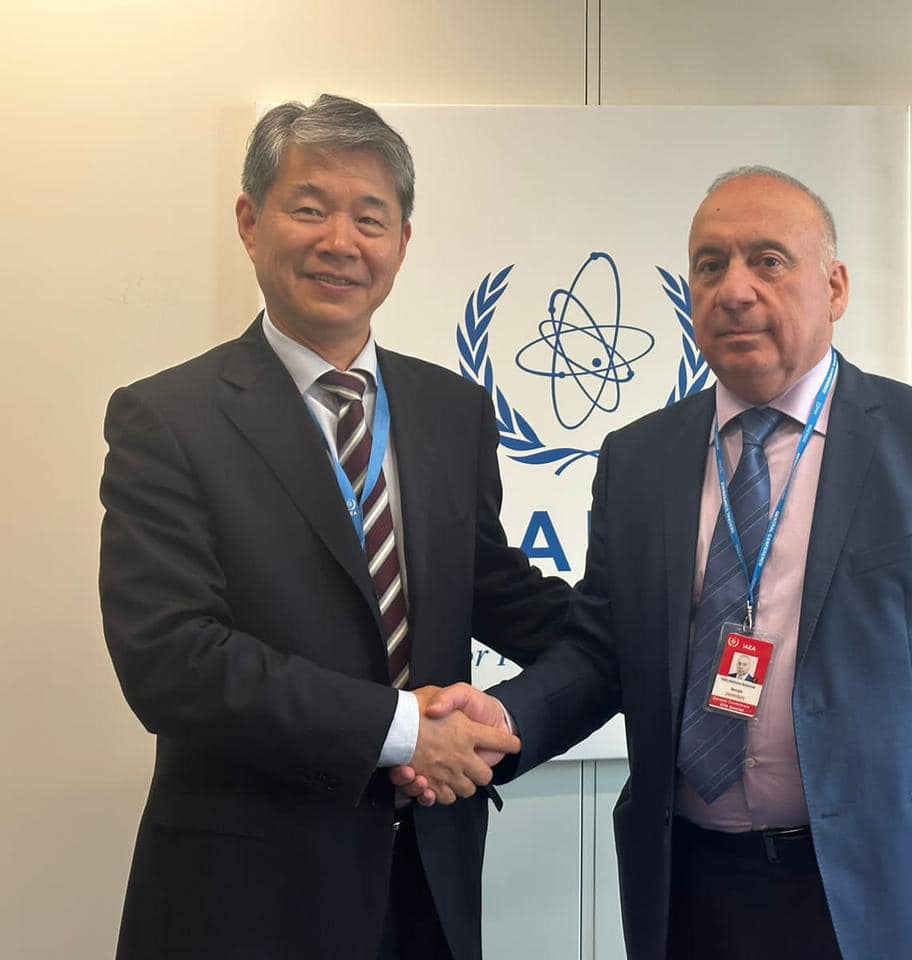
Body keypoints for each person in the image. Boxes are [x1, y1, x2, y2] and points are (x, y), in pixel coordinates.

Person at [402, 167, 912, 959]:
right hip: (690, 890)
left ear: (836, 287)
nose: (735, 290)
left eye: (768, 261)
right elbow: (601, 651)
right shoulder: (638, 458)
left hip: (879, 895)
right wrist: (501, 721)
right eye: (710, 266)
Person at [98, 95, 569, 960]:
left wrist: (658, 633)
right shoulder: (167, 420)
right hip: (246, 899)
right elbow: (171, 659)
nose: (340, 242)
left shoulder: (452, 410)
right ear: (250, 223)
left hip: (426, 883)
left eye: (370, 218)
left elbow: (498, 594)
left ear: (403, 242)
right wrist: (403, 729)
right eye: (310, 209)